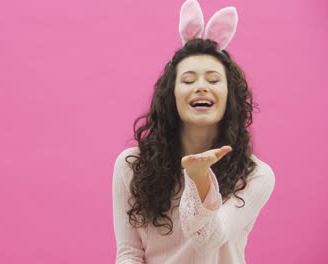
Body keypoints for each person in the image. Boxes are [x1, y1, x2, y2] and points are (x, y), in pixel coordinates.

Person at [112, 1, 275, 263]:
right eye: (188, 80)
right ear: (171, 96)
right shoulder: (132, 165)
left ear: (229, 96)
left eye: (213, 80)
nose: (201, 87)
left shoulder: (256, 175)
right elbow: (130, 253)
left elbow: (208, 238)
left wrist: (199, 179)